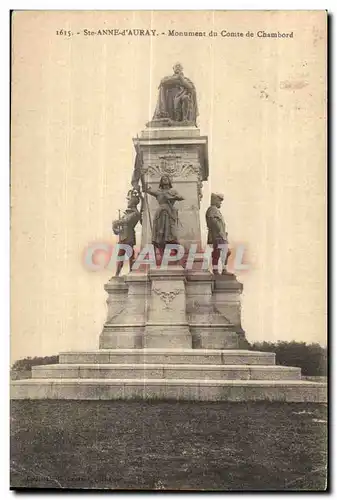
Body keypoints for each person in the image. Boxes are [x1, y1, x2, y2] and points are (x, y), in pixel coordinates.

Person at [144, 175, 184, 265]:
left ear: (169, 181)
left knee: (172, 236)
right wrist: (145, 184)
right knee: (160, 237)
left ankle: (176, 257)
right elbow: (147, 190)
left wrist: (172, 197)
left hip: (170, 214)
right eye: (163, 179)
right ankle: (162, 258)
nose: (165, 180)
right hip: (160, 214)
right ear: (161, 182)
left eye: (166, 178)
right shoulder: (159, 192)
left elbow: (181, 197)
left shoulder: (172, 191)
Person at [112, 190, 141, 276]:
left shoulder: (135, 213)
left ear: (133, 202)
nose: (128, 202)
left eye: (129, 200)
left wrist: (117, 222)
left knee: (130, 255)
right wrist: (115, 228)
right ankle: (117, 273)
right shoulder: (126, 214)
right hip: (123, 237)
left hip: (129, 237)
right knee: (120, 256)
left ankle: (131, 271)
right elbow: (118, 230)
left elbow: (126, 221)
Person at [205, 193, 232, 274]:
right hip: (218, 236)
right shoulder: (212, 209)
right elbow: (213, 222)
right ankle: (220, 270)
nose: (220, 202)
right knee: (221, 252)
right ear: (215, 200)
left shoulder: (215, 210)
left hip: (221, 235)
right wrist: (219, 231)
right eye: (219, 200)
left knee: (221, 252)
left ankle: (220, 269)